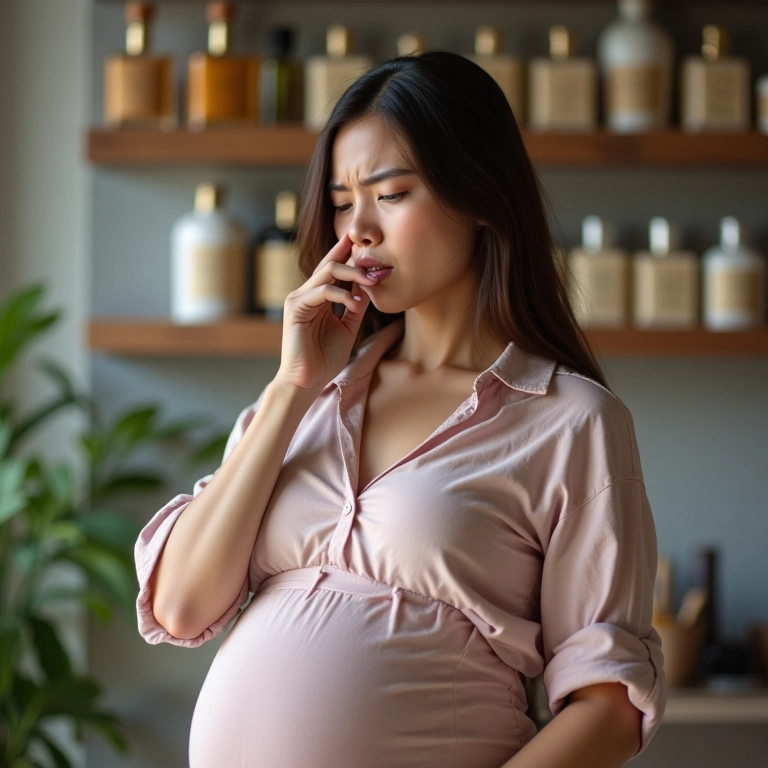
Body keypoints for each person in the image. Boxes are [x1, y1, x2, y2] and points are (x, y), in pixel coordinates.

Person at [134, 50, 666, 767]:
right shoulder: (309, 401)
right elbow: (181, 605)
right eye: (342, 201)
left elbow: (607, 708)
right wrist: (292, 386)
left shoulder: (572, 421)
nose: (359, 232)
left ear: (478, 195)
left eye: (390, 194)